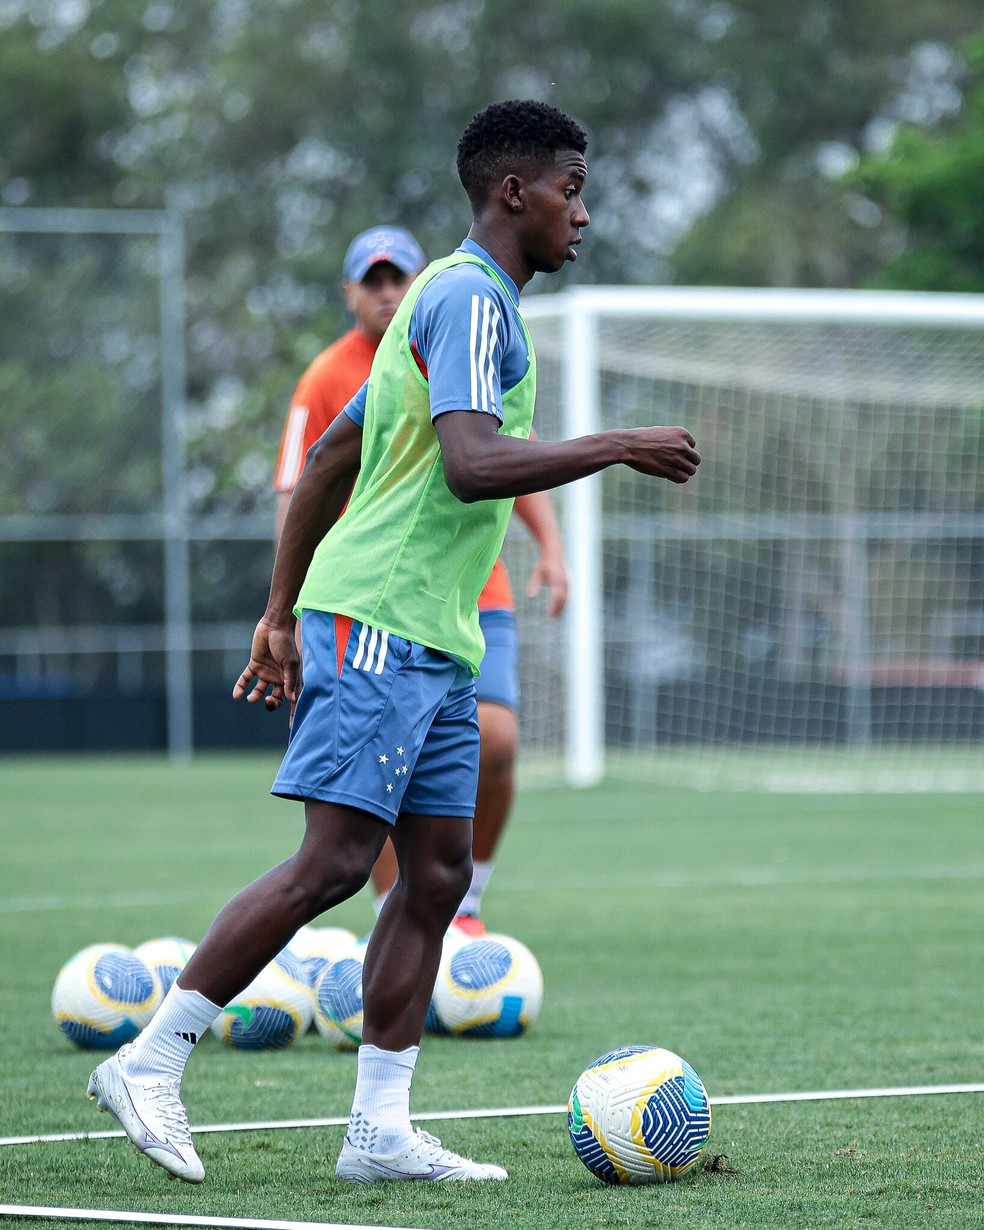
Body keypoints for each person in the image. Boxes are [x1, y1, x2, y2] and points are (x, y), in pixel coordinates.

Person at [85, 98, 700, 1187]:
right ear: (514, 192)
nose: (584, 214)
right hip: (380, 621)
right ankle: (151, 1058)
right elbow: (469, 464)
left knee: (436, 875)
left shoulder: (455, 300)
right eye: (571, 188)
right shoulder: (466, 297)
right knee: (333, 866)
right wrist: (616, 443)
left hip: (434, 634)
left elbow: (332, 453)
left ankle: (378, 1129)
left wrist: (277, 612)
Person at [272, 226, 569, 937]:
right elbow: (305, 477)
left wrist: (551, 546)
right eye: (370, 280)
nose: (385, 292)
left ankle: (464, 906)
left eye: (395, 277)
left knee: (496, 742)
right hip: (378, 595)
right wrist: (285, 607)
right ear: (349, 293)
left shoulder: (468, 331)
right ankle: (389, 915)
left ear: (416, 283)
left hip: (472, 586)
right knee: (358, 810)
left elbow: (503, 452)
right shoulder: (325, 376)